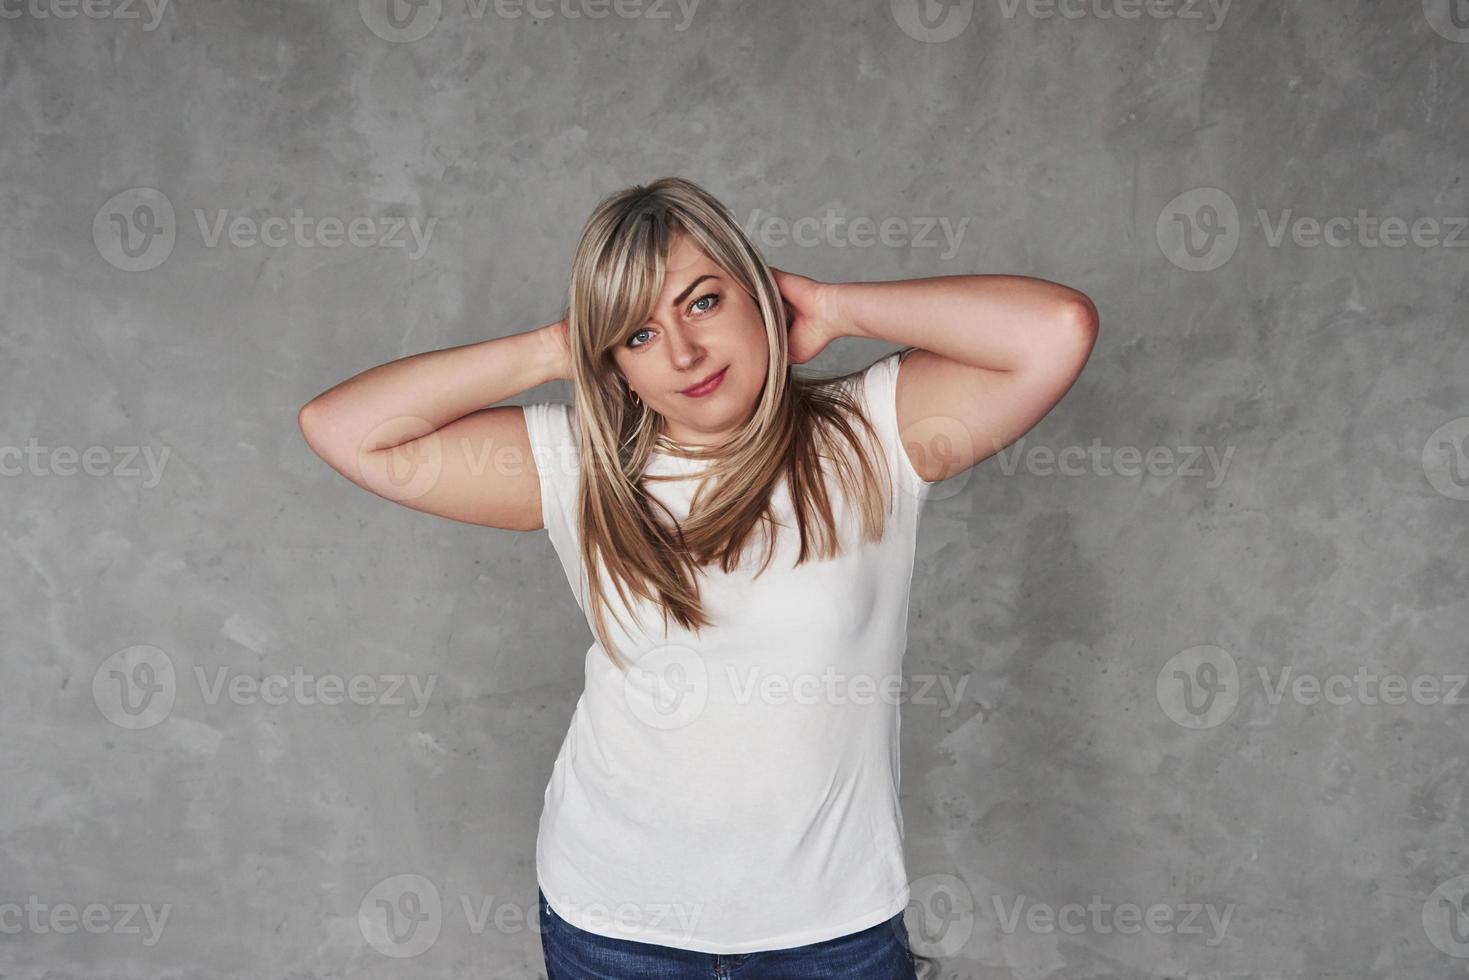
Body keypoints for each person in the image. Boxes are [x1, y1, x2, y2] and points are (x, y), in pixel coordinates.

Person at [298, 176, 1098, 978]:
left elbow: (1054, 331)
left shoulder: (875, 435)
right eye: (636, 336)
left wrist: (832, 306)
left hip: (828, 929)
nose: (681, 353)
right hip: (614, 924)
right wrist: (556, 348)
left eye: (702, 302)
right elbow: (344, 430)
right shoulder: (580, 466)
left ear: (756, 293)